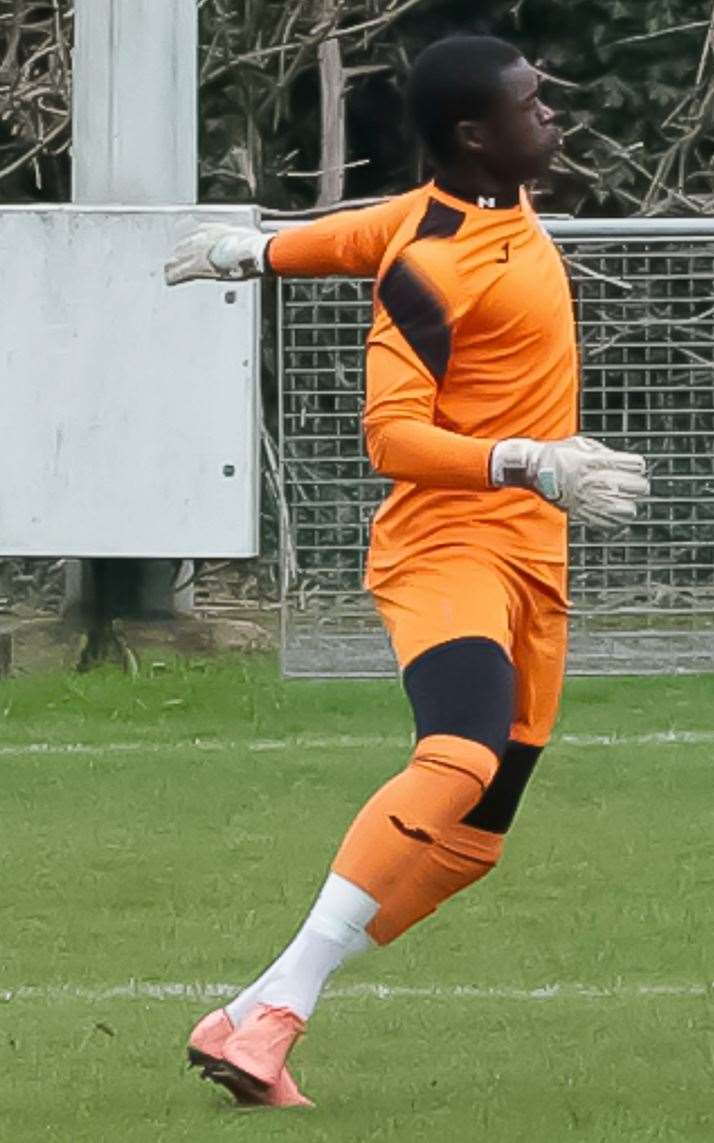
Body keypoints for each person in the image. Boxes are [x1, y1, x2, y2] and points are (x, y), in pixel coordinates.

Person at [164, 34, 649, 1106]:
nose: (552, 114)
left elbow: (364, 231)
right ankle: (279, 1013)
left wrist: (257, 252)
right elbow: (390, 437)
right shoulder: (428, 269)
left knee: (473, 845)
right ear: (476, 134)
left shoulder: (467, 212)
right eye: (532, 102)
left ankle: (250, 1017)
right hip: (447, 545)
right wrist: (526, 460)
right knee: (458, 756)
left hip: (534, 558)